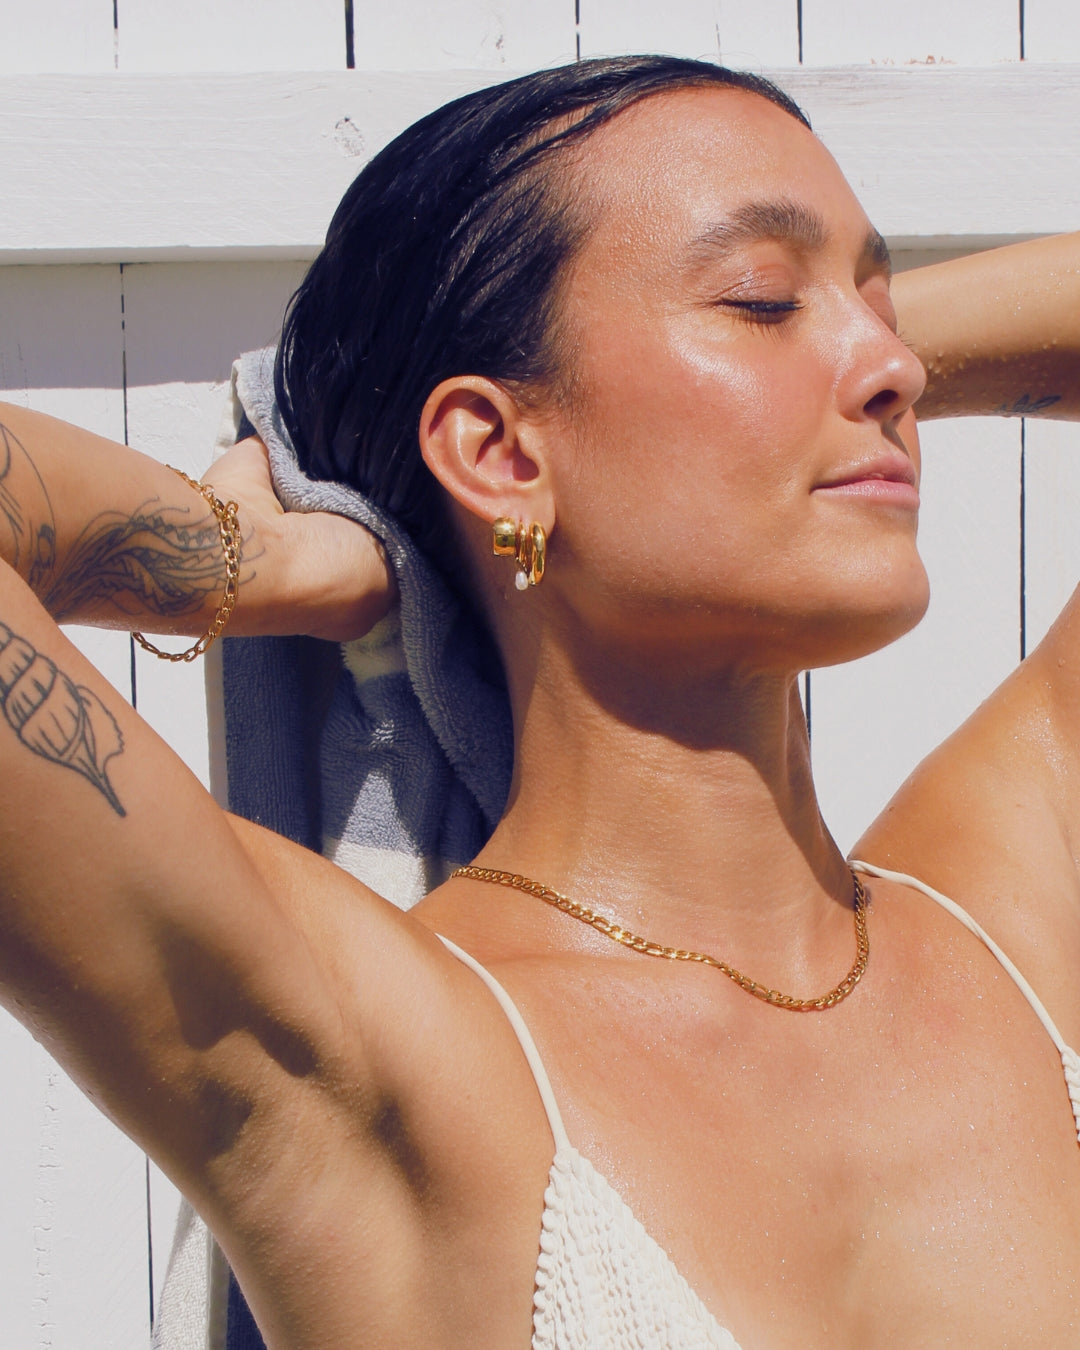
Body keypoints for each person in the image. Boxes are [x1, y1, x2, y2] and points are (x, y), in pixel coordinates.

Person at [2, 54, 1080, 1348]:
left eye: (878, 301)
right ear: (500, 451)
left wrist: (834, 343)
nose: (892, 368)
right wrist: (266, 551)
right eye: (758, 296)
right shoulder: (378, 1064)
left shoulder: (1025, 928)